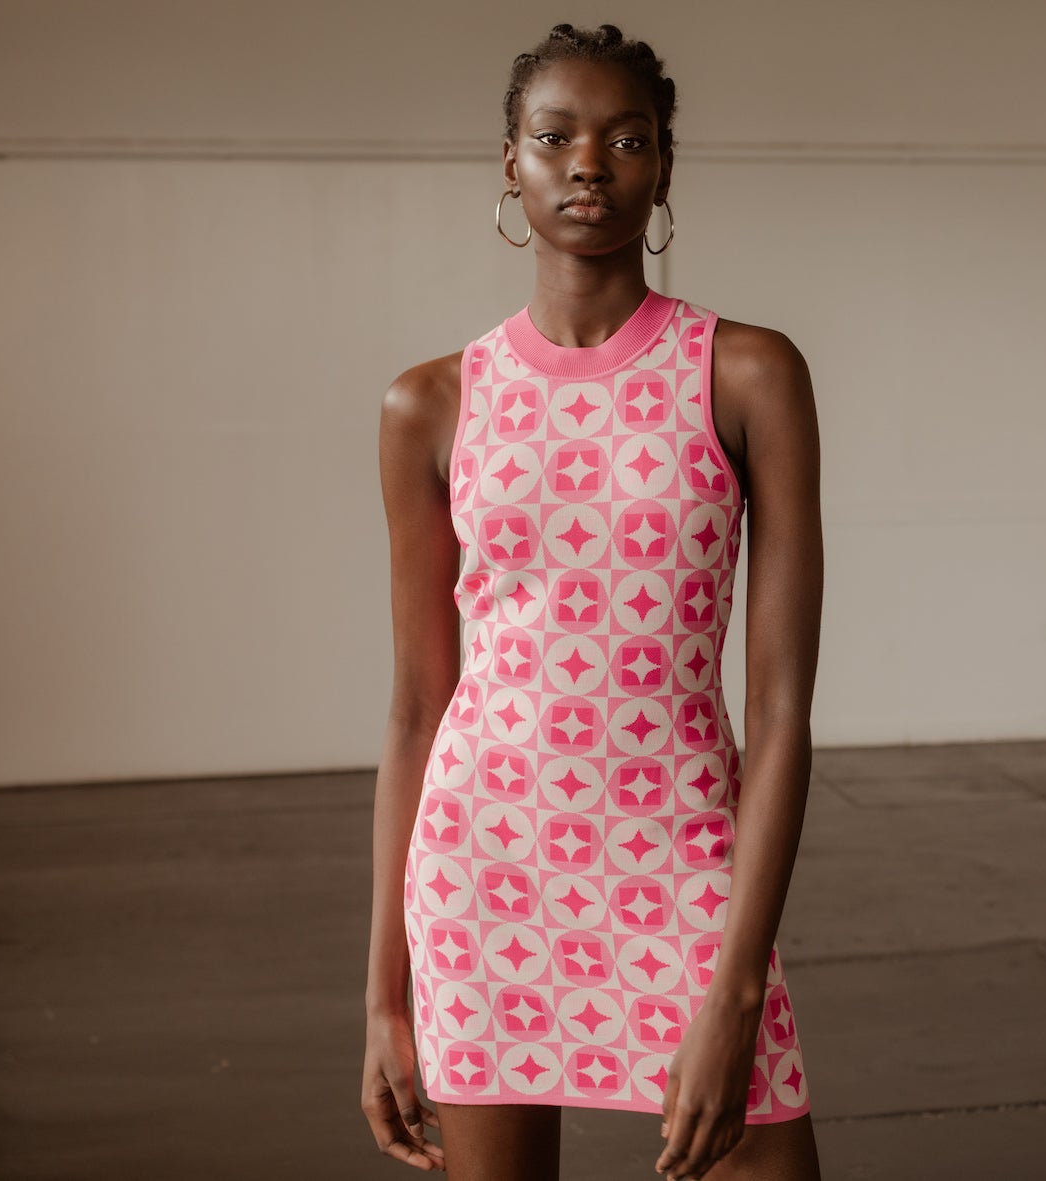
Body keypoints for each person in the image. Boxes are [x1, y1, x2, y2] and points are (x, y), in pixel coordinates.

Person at [361, 22, 825, 1181]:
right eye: (553, 135)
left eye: (626, 138)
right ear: (508, 164)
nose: (587, 164)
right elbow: (420, 708)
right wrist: (385, 994)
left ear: (661, 168)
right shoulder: (429, 402)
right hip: (483, 874)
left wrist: (735, 988)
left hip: (685, 864)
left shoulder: (748, 373)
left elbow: (776, 717)